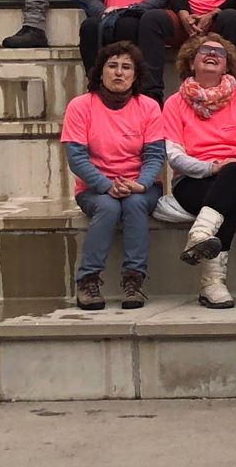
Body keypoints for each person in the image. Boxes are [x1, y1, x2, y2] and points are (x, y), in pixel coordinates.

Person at [60, 42, 164, 310]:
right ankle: (88, 280)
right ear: (101, 71)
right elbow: (77, 158)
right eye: (112, 66)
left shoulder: (149, 107)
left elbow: (154, 156)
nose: (119, 73)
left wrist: (140, 184)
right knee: (107, 207)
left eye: (126, 67)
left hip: (141, 185)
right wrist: (105, 186)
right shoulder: (80, 106)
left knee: (134, 204)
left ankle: (134, 281)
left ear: (135, 75)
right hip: (95, 187)